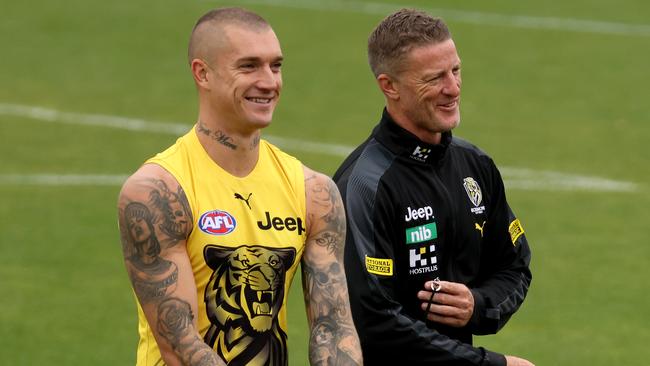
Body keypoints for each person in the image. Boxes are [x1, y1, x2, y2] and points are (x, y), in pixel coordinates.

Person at [117, 7, 362, 366]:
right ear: (203, 73)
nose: (269, 81)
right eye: (249, 66)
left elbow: (333, 327)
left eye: (275, 66)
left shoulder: (313, 192)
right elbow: (179, 344)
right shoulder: (158, 193)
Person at [333, 8, 533, 366]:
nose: (453, 88)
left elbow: (513, 265)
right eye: (434, 78)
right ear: (389, 86)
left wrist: (477, 305)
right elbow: (374, 322)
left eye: (455, 70)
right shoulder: (363, 186)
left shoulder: (475, 166)